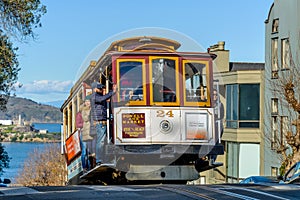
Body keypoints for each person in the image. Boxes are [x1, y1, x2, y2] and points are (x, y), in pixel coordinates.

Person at [90, 82, 117, 165]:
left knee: (105, 141)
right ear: (95, 89)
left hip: (104, 121)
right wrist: (112, 92)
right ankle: (99, 160)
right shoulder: (94, 96)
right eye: (100, 88)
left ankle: (105, 159)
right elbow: (102, 99)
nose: (101, 89)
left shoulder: (99, 97)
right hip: (100, 122)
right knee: (101, 142)